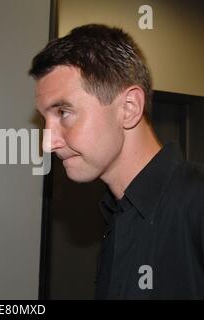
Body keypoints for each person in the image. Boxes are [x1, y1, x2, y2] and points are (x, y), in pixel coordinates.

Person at [28, 24, 204, 299]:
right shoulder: (117, 215)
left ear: (129, 108)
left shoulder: (197, 202)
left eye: (63, 112)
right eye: (44, 120)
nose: (47, 143)